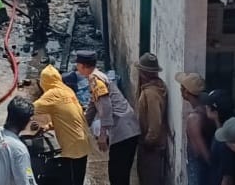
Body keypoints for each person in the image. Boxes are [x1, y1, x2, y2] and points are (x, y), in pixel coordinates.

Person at [75, 50, 141, 185]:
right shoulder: (97, 77)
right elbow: (93, 106)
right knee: (120, 174)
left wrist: (102, 134)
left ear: (82, 66)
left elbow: (106, 107)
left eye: (77, 65)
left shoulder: (95, 80)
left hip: (124, 132)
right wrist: (81, 126)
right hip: (128, 129)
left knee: (117, 175)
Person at [33, 65, 90, 185]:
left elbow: (30, 109)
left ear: (44, 82)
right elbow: (66, 116)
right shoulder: (67, 90)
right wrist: (49, 126)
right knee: (76, 179)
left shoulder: (52, 94)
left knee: (71, 180)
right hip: (82, 143)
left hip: (73, 149)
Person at [176, 72, 216, 185]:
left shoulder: (194, 118)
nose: (180, 90)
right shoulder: (207, 110)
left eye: (182, 88)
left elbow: (201, 151)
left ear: (186, 93)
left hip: (199, 165)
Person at [135, 52, 168, 185]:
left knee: (148, 178)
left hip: (151, 145)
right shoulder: (158, 87)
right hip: (154, 144)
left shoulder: (151, 93)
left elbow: (155, 122)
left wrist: (148, 141)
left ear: (143, 72)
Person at [202, 90, 235, 185]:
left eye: (208, 106)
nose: (205, 107)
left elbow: (227, 178)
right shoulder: (231, 127)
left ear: (215, 112)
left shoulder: (224, 141)